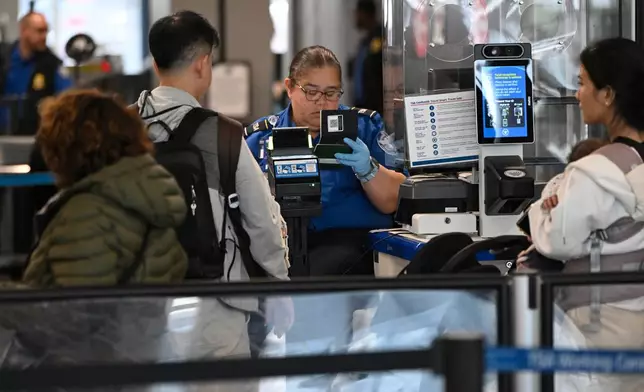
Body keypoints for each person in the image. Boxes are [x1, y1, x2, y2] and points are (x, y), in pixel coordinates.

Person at [138, 10, 292, 379]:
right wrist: (281, 287)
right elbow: (261, 220)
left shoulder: (123, 129)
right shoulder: (222, 135)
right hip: (215, 306)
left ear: (156, 62)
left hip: (137, 305)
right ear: (204, 63)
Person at [0, 89, 188, 376]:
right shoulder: (148, 196)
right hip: (134, 363)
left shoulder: (91, 210)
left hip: (81, 374)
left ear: (69, 148)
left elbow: (70, 319)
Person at [528, 37, 644, 391]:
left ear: (607, 94)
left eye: (582, 83)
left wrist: (543, 204)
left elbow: (556, 240)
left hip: (591, 329)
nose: (577, 94)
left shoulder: (593, 171)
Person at [246, 45, 405, 278]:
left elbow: (393, 201)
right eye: (311, 91)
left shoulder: (363, 128)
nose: (321, 102)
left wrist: (368, 169)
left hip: (351, 249)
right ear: (289, 88)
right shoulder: (260, 139)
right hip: (279, 249)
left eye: (331, 93)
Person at [2, 12, 73, 255]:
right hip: (3, 142)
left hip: (37, 145)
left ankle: (29, 257)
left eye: (46, 31)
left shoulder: (52, 65)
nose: (44, 36)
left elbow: (66, 100)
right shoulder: (5, 60)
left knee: (34, 203)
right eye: (39, 31)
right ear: (24, 32)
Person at [516, 137, 607, 272]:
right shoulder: (558, 185)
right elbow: (539, 227)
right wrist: (547, 211)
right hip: (555, 254)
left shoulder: (611, 190)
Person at [350, 0, 383, 114]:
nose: (355, 17)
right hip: (362, 105)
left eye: (357, 13)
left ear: (365, 13)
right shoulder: (365, 42)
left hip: (375, 106)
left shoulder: (380, 37)